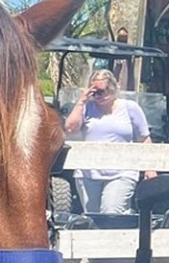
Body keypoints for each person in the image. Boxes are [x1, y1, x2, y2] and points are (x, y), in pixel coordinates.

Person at [64, 68, 156, 214]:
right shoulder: (87, 108)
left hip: (122, 171)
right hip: (89, 173)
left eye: (102, 91)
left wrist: (150, 168)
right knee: (92, 216)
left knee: (111, 211)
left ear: (113, 89)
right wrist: (82, 101)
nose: (98, 95)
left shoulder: (130, 108)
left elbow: (144, 138)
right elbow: (70, 129)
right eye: (94, 91)